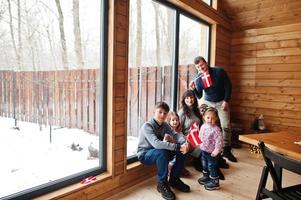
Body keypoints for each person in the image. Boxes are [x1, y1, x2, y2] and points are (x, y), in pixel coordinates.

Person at [137, 102, 190, 200]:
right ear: (154, 112)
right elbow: (156, 144)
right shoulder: (147, 126)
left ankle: (174, 179)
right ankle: (162, 183)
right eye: (160, 112)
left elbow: (176, 135)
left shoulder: (165, 125)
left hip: (160, 153)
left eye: (165, 113)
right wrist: (177, 147)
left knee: (183, 150)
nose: (162, 115)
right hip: (145, 154)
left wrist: (185, 144)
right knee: (163, 151)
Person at [189, 56, 237, 162]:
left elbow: (228, 86)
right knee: (205, 124)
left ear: (206, 63)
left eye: (202, 65)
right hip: (208, 101)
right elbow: (199, 96)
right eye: (198, 67)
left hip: (221, 101)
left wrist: (226, 100)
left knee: (225, 125)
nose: (201, 68)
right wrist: (193, 89)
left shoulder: (219, 72)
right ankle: (206, 148)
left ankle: (226, 150)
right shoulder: (198, 78)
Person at [198, 107, 223, 190]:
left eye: (212, 118)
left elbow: (219, 141)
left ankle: (215, 181)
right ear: (204, 117)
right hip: (203, 150)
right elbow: (200, 136)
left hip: (212, 153)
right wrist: (198, 143)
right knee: (204, 165)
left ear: (216, 119)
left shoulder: (216, 130)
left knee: (211, 166)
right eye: (208, 117)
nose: (210, 120)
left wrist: (216, 151)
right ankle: (207, 177)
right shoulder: (203, 126)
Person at [178, 90, 203, 172]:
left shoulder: (196, 110)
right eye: (187, 98)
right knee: (201, 144)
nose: (189, 100)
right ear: (184, 100)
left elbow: (200, 125)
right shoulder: (182, 112)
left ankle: (214, 162)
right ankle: (197, 162)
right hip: (187, 137)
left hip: (197, 135)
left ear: (194, 99)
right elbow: (178, 129)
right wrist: (184, 138)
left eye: (191, 97)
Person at [166, 111, 184, 177]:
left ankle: (177, 170)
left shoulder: (178, 130)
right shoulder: (168, 130)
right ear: (169, 121)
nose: (175, 122)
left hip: (177, 148)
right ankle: (170, 172)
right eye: (173, 120)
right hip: (170, 149)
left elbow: (181, 138)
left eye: (177, 120)